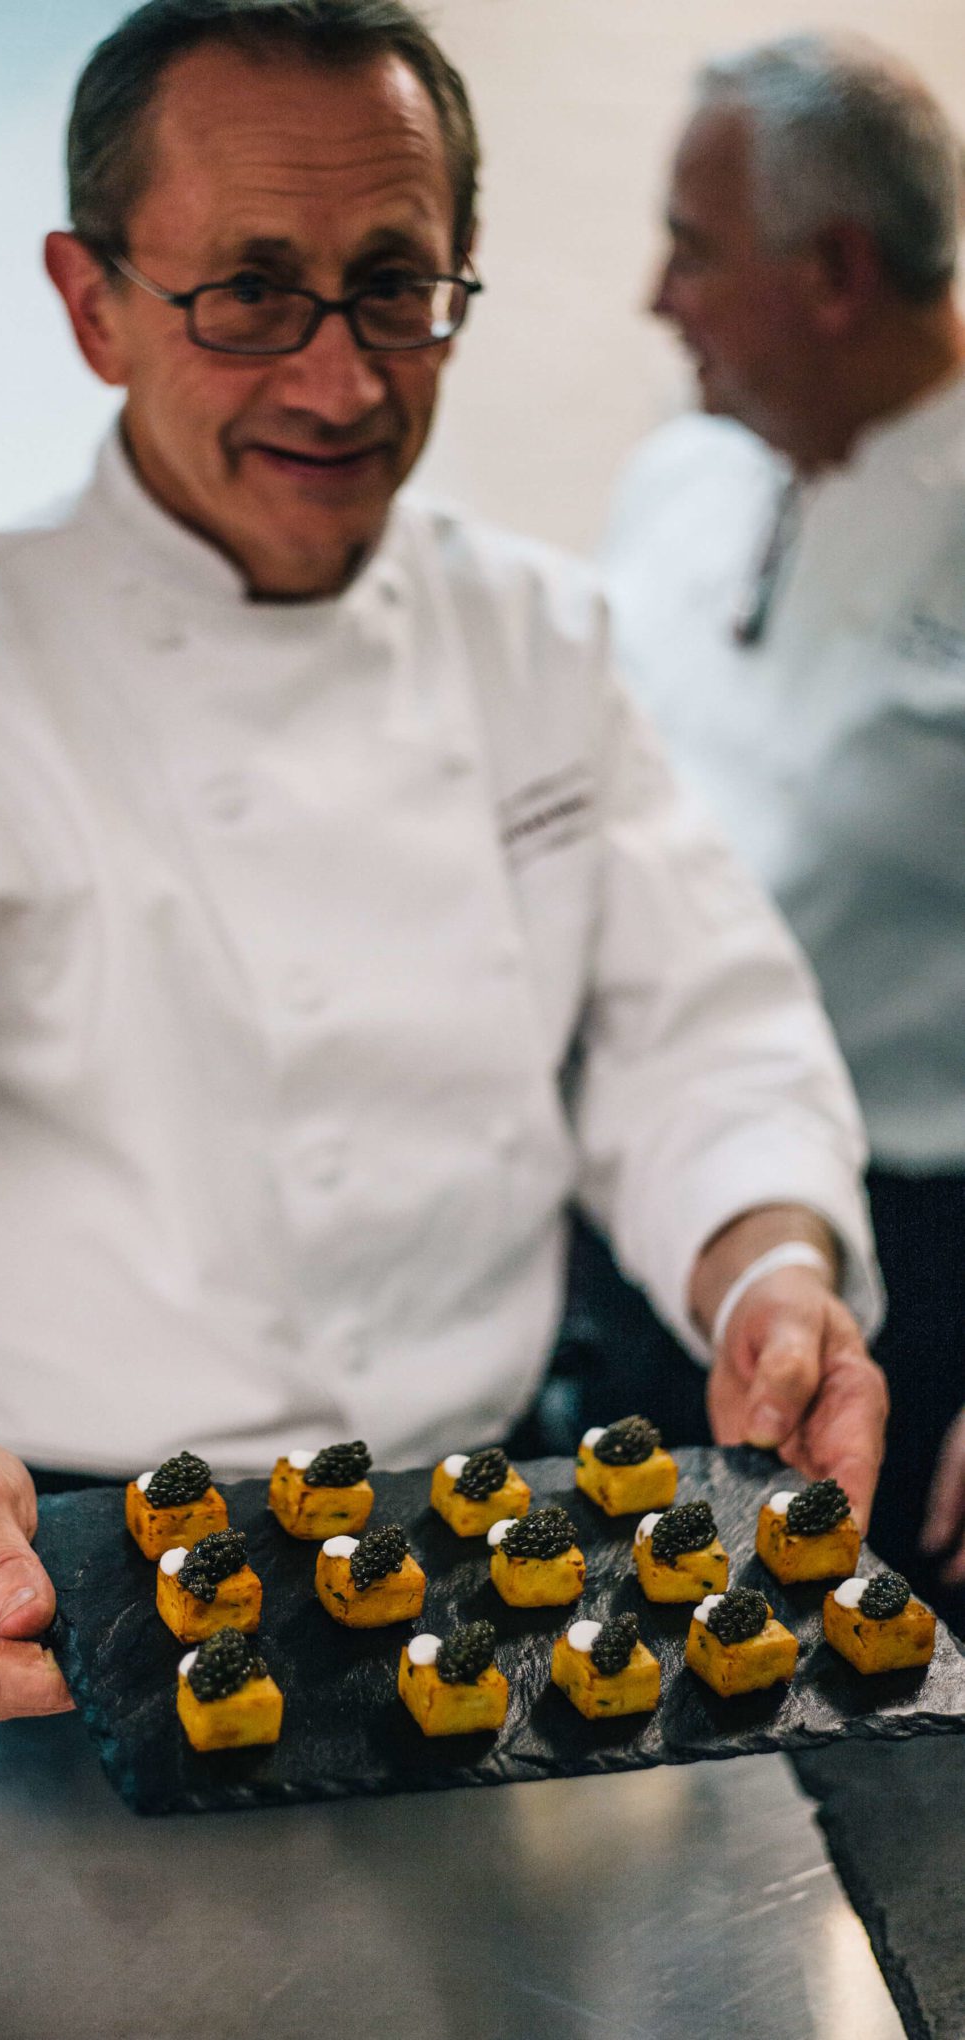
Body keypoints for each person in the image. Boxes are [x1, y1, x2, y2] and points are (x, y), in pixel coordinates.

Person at [0, 0, 887, 1724]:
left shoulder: (536, 638)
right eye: (251, 294)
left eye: (394, 286)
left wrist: (770, 1274)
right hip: (68, 1592)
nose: (341, 377)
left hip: (490, 1562)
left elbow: (701, 1046)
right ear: (92, 305)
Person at [602, 31, 965, 1616]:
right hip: (676, 1211)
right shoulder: (681, 483)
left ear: (832, 271)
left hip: (927, 1254)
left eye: (692, 249)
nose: (655, 298)